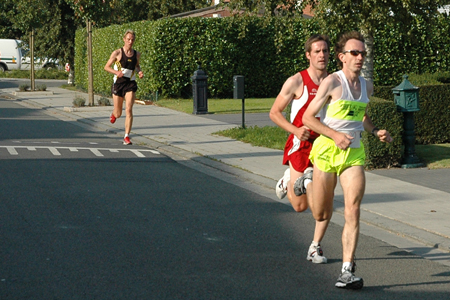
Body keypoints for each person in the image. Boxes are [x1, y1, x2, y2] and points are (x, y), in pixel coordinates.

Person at [302, 31, 393, 289]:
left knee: (353, 208)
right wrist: (334, 135)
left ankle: (346, 270)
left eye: (363, 53)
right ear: (342, 57)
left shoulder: (367, 86)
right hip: (326, 151)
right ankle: (306, 181)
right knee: (321, 212)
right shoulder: (332, 82)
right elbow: (309, 118)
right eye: (354, 53)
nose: (360, 57)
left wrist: (375, 131)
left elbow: (360, 115)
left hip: (353, 152)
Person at [269, 34, 331, 264]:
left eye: (325, 51)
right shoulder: (296, 81)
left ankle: (315, 247)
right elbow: (274, 113)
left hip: (325, 146)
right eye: (317, 51)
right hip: (301, 143)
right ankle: (289, 180)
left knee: (323, 202)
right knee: (299, 206)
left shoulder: (334, 81)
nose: (322, 55)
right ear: (308, 55)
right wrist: (295, 131)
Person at [104, 29, 144, 145]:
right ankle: (113, 114)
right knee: (118, 113)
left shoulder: (136, 54)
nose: (130, 42)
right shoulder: (117, 53)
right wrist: (116, 73)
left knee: (129, 109)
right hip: (119, 83)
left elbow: (137, 66)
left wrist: (140, 72)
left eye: (132, 40)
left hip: (130, 83)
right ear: (124, 40)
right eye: (128, 39)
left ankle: (126, 136)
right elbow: (106, 67)